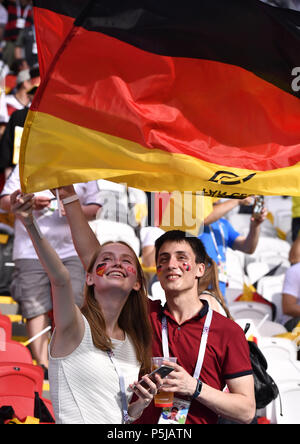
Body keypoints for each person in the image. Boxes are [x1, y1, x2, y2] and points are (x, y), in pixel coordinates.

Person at [55, 185, 256, 425]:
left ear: (200, 269)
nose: (172, 264)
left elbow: (246, 410)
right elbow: (95, 261)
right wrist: (70, 199)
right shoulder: (144, 315)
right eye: (164, 259)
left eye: (182, 258)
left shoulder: (226, 331)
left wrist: (194, 387)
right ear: (157, 272)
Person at [10, 189, 161, 424]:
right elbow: (61, 278)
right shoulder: (75, 326)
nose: (116, 263)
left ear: (137, 283)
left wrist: (137, 407)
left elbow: (117, 419)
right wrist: (31, 222)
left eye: (126, 260)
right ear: (89, 277)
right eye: (107, 260)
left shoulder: (134, 340)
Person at [0, 168, 101, 374]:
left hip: (72, 249)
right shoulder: (25, 164)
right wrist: (28, 204)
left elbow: (96, 208)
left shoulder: (82, 165)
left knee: (75, 303)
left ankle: (68, 360)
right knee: (35, 305)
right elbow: (3, 203)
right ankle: (44, 365)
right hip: (29, 251)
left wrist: (71, 206)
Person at [199, 197, 267, 300]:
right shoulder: (192, 217)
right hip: (197, 290)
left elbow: (248, 247)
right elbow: (205, 218)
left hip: (219, 292)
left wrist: (255, 226)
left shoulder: (223, 223)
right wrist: (237, 200)